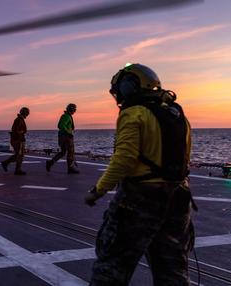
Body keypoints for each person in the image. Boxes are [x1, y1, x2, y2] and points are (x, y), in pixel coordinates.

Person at [84, 63, 195, 285]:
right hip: (179, 197)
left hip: (140, 200)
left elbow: (124, 158)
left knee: (111, 266)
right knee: (173, 269)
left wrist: (98, 190)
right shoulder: (178, 115)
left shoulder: (133, 113)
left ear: (129, 87)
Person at [46, 103, 80, 174]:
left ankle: (50, 163)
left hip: (62, 136)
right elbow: (61, 126)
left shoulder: (65, 116)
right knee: (70, 152)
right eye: (74, 109)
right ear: (72, 109)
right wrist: (68, 133)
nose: (74, 111)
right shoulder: (67, 116)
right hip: (66, 137)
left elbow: (60, 125)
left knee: (63, 152)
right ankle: (70, 168)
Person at [0, 107, 29, 175]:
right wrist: (21, 133)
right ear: (24, 113)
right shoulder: (19, 120)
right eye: (27, 113)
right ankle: (8, 164)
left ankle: (15, 168)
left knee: (19, 155)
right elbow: (15, 130)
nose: (27, 115)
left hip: (18, 139)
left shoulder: (20, 119)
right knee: (19, 155)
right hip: (18, 140)